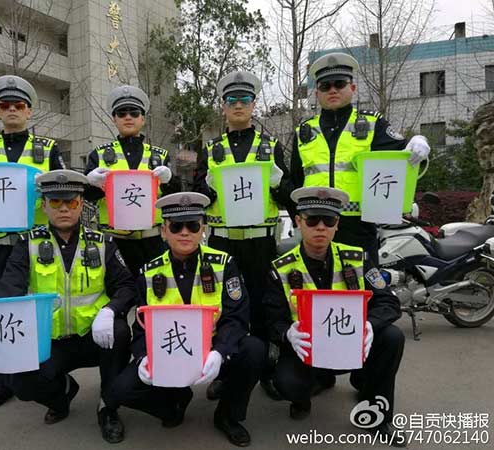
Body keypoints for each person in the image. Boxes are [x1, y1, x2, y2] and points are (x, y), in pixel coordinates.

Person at [104, 192, 265, 447]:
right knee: (119, 391)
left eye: (192, 225)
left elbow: (237, 316)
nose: (185, 232)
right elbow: (141, 326)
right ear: (163, 231)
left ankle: (228, 416)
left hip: (212, 349)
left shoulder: (225, 264)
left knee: (254, 350)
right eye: (176, 226)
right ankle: (173, 403)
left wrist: (220, 352)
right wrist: (145, 356)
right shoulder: (149, 272)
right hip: (169, 353)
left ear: (203, 229)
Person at [0, 170, 135, 443]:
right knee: (20, 381)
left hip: (93, 335)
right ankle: (62, 395)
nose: (63, 209)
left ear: (81, 204)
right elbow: (8, 289)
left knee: (119, 333)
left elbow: (127, 285)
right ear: (44, 205)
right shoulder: (28, 244)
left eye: (70, 202)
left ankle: (108, 407)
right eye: (55, 202)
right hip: (51, 340)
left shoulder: (102, 242)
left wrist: (111, 311)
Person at [263, 187, 406, 447]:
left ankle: (377, 411)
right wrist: (287, 334)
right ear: (298, 222)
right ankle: (307, 392)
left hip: (352, 346)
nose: (320, 227)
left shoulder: (357, 259)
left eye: (328, 220)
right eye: (312, 220)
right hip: (307, 351)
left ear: (337, 224)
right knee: (286, 383)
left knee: (392, 337)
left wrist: (370, 326)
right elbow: (272, 319)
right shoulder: (280, 268)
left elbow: (388, 302)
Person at [0, 75, 65, 413]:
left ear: (29, 111)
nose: (13, 110)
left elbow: (63, 194)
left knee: (39, 313)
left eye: (19, 105)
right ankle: (1, 383)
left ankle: (45, 380)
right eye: (6, 105)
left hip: (36, 247)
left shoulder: (48, 150)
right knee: (0, 314)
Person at [192, 70, 295, 401]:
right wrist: (204, 186)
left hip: (261, 242)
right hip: (222, 242)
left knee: (263, 308)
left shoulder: (271, 147)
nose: (238, 105)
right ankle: (226, 372)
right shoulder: (210, 149)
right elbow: (195, 197)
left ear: (254, 104)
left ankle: (264, 369)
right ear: (222, 106)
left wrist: (279, 181)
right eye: (231, 100)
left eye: (245, 99)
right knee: (224, 310)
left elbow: (288, 194)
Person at [289, 52, 431, 262]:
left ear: (352, 88)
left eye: (339, 83)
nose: (333, 90)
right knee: (320, 290)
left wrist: (419, 143)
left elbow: (406, 160)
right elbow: (295, 181)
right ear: (317, 93)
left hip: (358, 229)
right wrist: (299, 220)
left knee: (362, 290)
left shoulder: (373, 124)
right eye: (325, 86)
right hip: (317, 228)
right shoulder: (304, 132)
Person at [84, 85, 181, 278]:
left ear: (143, 119)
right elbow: (86, 196)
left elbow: (175, 195)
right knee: (118, 296)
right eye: (122, 113)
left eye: (134, 113)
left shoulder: (160, 156)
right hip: (114, 242)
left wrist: (169, 180)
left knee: (154, 296)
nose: (128, 117)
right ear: (114, 118)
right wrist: (90, 182)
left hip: (152, 241)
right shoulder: (99, 154)